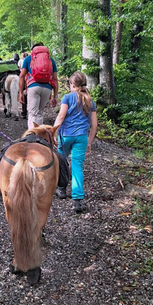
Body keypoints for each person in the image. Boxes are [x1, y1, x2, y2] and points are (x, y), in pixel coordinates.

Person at [53, 71, 98, 213]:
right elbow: (94, 125)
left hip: (65, 136)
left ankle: (61, 189)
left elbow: (61, 116)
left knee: (61, 161)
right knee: (77, 166)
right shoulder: (91, 102)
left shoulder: (67, 98)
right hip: (82, 137)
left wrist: (53, 132)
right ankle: (77, 201)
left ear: (72, 84)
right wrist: (89, 142)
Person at [19, 43, 58, 129]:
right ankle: (39, 135)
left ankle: (32, 135)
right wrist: (55, 96)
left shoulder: (28, 59)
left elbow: (21, 76)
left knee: (33, 113)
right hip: (47, 88)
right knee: (40, 112)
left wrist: (21, 92)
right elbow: (55, 79)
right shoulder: (51, 60)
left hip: (33, 87)